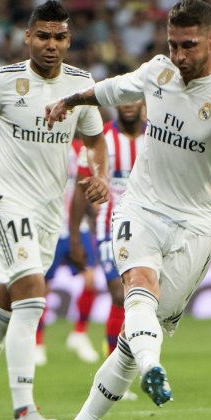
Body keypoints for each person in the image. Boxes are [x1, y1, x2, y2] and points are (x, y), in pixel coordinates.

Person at [45, 0, 211, 420]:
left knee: (134, 339)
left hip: (197, 224)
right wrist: (69, 99)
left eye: (189, 46)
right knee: (139, 290)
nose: (179, 56)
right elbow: (112, 89)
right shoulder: (159, 71)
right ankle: (154, 370)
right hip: (142, 206)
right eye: (173, 44)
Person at [0, 0, 109, 420]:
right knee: (33, 292)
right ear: (27, 38)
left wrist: (99, 175)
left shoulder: (80, 87)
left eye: (60, 37)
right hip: (4, 199)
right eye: (43, 36)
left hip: (49, 211)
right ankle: (24, 411)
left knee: (5, 309)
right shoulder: (2, 82)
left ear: (68, 40)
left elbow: (95, 141)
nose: (51, 45)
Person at [69, 101, 148, 400]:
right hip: (108, 226)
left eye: (134, 99)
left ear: (143, 103)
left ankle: (131, 363)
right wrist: (76, 237)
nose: (128, 106)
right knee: (118, 294)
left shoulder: (156, 137)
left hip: (149, 228)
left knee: (142, 299)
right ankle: (115, 375)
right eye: (122, 100)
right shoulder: (98, 140)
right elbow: (80, 192)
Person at [35, 137, 101, 367]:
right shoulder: (45, 145)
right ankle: (37, 343)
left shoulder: (82, 148)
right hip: (50, 226)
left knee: (91, 279)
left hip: (78, 225)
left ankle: (80, 333)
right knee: (43, 286)